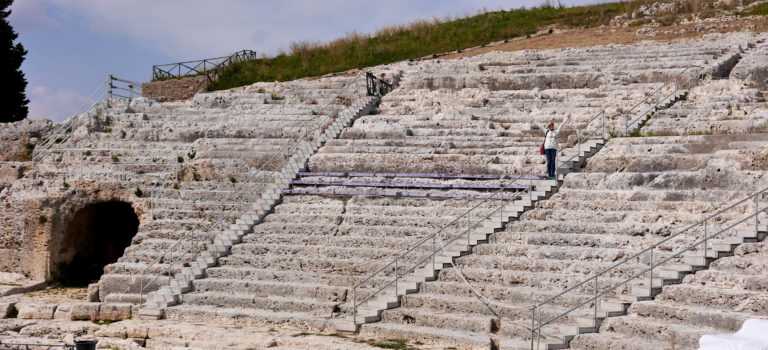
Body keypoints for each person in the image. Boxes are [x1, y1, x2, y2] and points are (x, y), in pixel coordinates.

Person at [530, 113, 571, 180]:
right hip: (547, 148)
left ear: (553, 126)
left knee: (553, 162)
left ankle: (552, 174)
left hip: (553, 148)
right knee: (549, 162)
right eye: (550, 126)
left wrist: (567, 118)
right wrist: (534, 120)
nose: (551, 127)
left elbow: (561, 125)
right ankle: (550, 175)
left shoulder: (556, 132)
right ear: (548, 127)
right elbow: (540, 126)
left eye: (552, 125)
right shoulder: (546, 131)